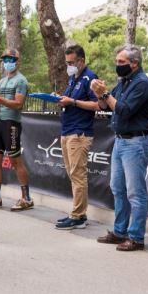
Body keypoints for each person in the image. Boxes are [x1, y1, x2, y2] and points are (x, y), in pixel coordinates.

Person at [92, 44, 148, 252]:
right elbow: (104, 106)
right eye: (117, 61)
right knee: (117, 188)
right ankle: (120, 232)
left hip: (136, 141)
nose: (117, 65)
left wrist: (106, 94)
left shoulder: (143, 84)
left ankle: (136, 237)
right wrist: (99, 93)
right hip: (120, 140)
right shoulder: (124, 81)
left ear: (134, 63)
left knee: (135, 192)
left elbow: (123, 109)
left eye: (121, 62)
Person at [0, 48, 33, 211]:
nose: (8, 62)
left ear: (17, 61)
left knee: (16, 160)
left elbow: (18, 104)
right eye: (5, 59)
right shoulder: (1, 82)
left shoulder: (21, 81)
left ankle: (27, 198)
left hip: (12, 124)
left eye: (11, 59)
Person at [55, 44, 99, 230]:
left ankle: (79, 215)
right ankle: (76, 212)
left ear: (81, 61)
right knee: (73, 174)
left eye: (72, 62)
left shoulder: (90, 77)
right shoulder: (73, 78)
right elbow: (69, 101)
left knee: (78, 174)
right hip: (67, 130)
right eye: (67, 63)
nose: (69, 66)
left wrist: (72, 101)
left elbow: (98, 105)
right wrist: (60, 99)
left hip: (79, 133)